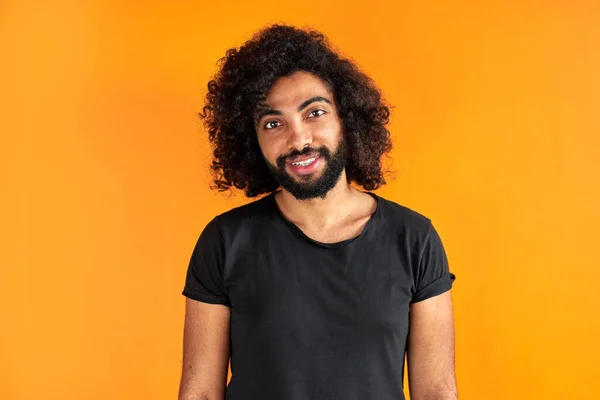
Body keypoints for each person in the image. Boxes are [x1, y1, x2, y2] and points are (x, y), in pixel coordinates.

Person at [179, 24, 457, 400]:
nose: (299, 140)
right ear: (253, 141)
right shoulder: (225, 241)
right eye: (273, 123)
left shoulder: (414, 240)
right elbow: (200, 393)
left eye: (315, 113)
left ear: (346, 119)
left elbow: (436, 392)